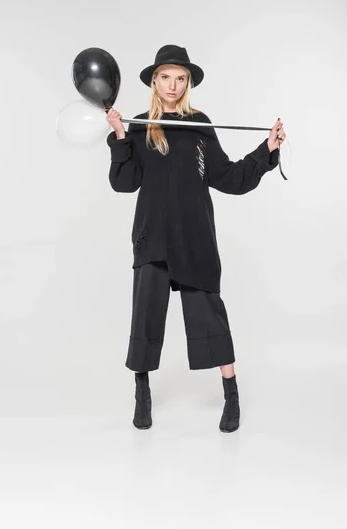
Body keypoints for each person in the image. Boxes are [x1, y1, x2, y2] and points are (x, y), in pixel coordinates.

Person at [105, 44, 286, 433]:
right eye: (166, 77)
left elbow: (229, 179)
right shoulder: (139, 126)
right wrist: (120, 137)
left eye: (181, 78)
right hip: (152, 237)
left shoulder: (199, 124)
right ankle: (142, 394)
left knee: (209, 315)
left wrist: (266, 151)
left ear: (188, 83)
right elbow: (124, 183)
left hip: (194, 237)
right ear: (155, 80)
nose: (173, 85)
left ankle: (231, 397)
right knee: (147, 316)